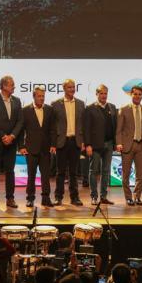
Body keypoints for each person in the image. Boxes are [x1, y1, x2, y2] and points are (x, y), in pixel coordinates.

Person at [0, 76, 24, 209]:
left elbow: (20, 121)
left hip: (11, 143)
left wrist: (12, 136)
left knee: (10, 171)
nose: (14, 87)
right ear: (4, 86)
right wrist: (4, 136)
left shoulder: (17, 101)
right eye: (11, 85)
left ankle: (10, 199)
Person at [51, 78, 86, 206]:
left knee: (73, 172)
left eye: (73, 87)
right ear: (64, 89)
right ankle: (58, 197)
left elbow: (83, 125)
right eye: (69, 87)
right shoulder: (55, 104)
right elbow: (53, 127)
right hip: (62, 141)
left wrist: (83, 141)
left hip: (75, 141)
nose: (72, 89)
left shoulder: (81, 104)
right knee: (60, 172)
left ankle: (74, 197)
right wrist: (53, 143)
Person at [83, 84, 119, 205]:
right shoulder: (90, 108)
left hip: (109, 144)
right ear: (97, 94)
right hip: (95, 145)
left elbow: (116, 127)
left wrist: (116, 143)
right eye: (101, 93)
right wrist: (88, 144)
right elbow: (86, 128)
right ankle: (94, 196)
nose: (103, 96)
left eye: (105, 93)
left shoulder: (112, 107)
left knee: (106, 171)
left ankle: (103, 196)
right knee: (93, 171)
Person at [20, 86, 55, 208]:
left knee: (46, 175)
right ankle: (30, 198)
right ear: (34, 96)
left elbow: (52, 129)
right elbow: (21, 130)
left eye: (43, 96)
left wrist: (53, 145)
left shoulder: (50, 110)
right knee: (31, 175)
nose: (41, 98)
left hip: (46, 149)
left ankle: (46, 198)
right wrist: (21, 146)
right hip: (31, 149)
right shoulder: (25, 110)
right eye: (39, 96)